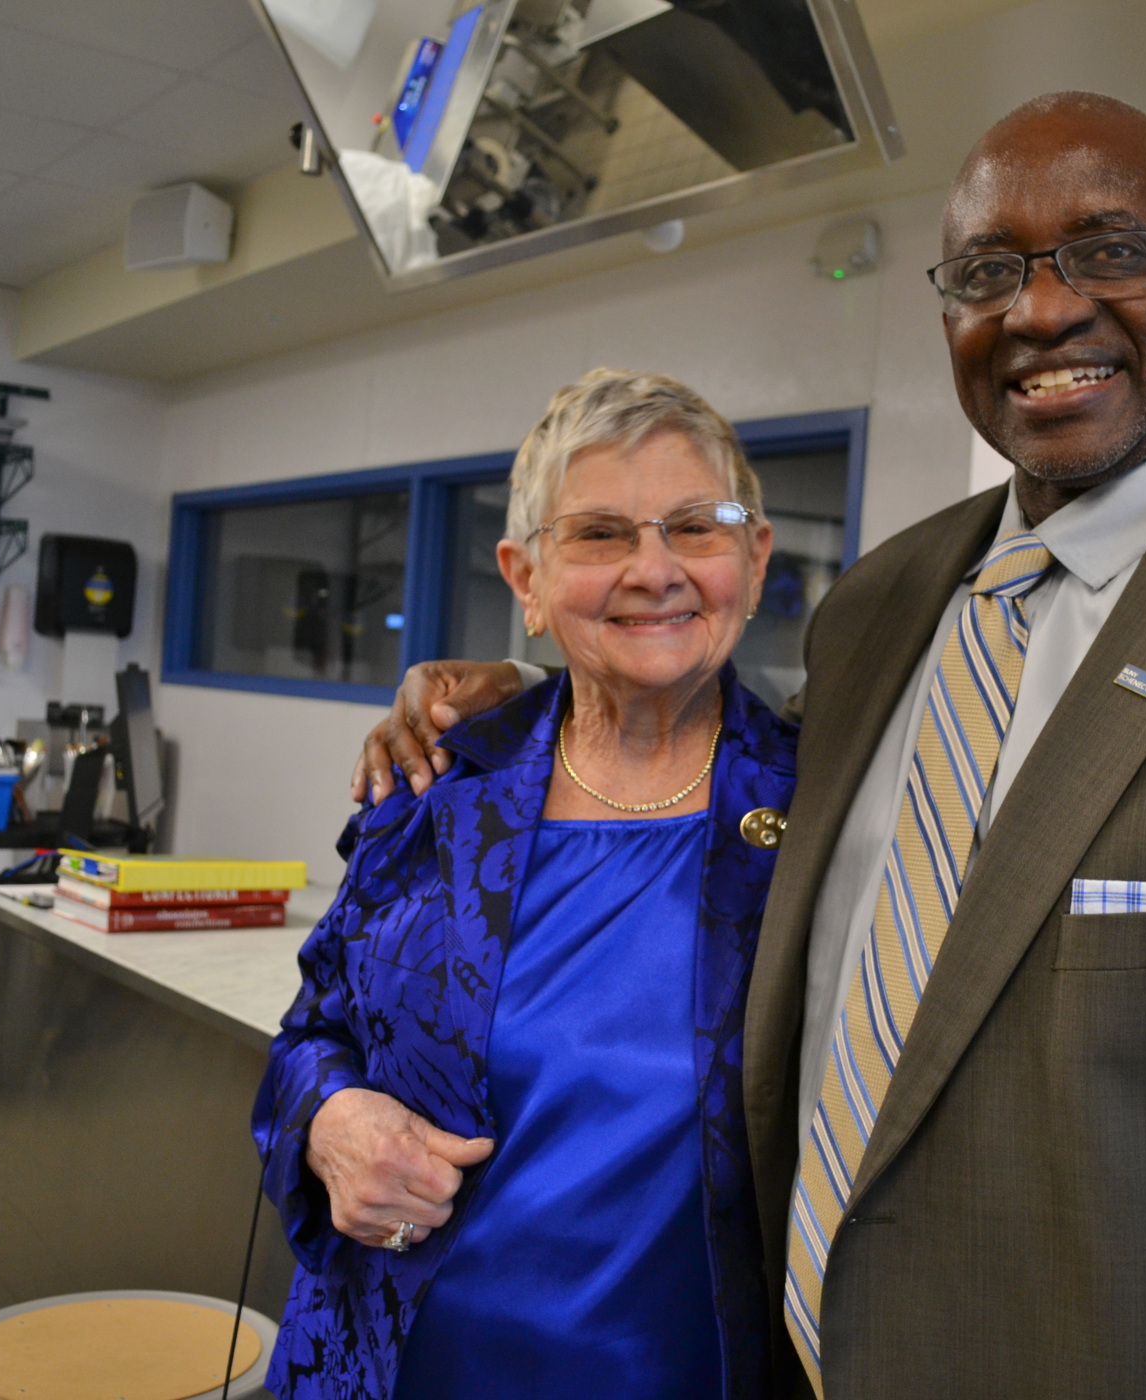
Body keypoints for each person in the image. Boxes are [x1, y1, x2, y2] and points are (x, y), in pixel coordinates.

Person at [357, 94, 1146, 1399]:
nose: (1044, 309)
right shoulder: (877, 610)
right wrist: (520, 702)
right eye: (989, 271)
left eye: (1112, 249)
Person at [256, 369, 796, 1400]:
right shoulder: (434, 788)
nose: (655, 569)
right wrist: (328, 1122)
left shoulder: (826, 808)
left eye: (697, 526)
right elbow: (306, 1038)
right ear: (527, 579)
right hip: (396, 1364)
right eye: (599, 533)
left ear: (754, 557)